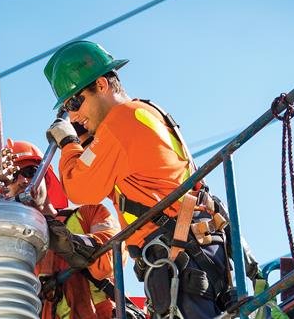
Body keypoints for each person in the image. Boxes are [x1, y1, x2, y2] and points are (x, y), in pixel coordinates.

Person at [44, 40, 236, 318]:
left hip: (180, 255)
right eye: (67, 108)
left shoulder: (121, 121)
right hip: (195, 251)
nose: (73, 115)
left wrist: (69, 143)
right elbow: (116, 183)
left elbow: (80, 187)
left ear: (101, 85)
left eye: (74, 102)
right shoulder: (143, 112)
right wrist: (87, 141)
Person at [0, 136, 125, 318]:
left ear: (47, 179)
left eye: (31, 171)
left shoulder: (88, 214)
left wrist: (69, 243)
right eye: (13, 176)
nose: (22, 180)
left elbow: (111, 258)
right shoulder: (10, 240)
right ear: (4, 190)